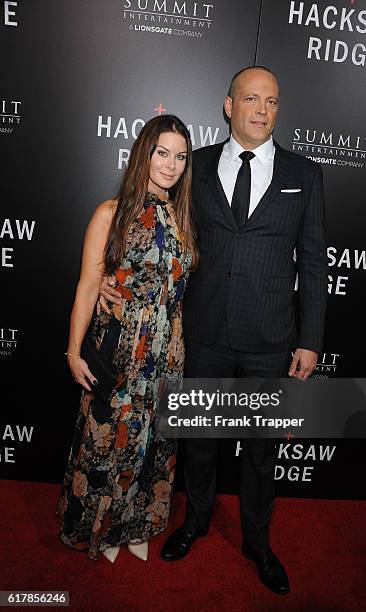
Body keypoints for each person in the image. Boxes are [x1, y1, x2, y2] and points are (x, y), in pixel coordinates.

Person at [101, 66, 327, 593]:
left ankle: (257, 541)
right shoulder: (193, 167)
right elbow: (150, 231)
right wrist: (112, 281)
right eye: (250, 98)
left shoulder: (306, 173)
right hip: (200, 334)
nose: (261, 109)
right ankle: (197, 521)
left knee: (262, 448)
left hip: (271, 339)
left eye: (271, 101)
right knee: (199, 440)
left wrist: (310, 339)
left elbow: (313, 263)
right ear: (229, 106)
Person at [57, 115, 197, 564]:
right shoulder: (110, 212)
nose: (171, 165)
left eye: (180, 156)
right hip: (121, 346)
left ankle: (136, 524)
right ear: (143, 153)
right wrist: (74, 350)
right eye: (162, 153)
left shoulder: (184, 217)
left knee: (153, 441)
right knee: (107, 439)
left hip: (168, 349)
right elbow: (86, 285)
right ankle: (99, 526)